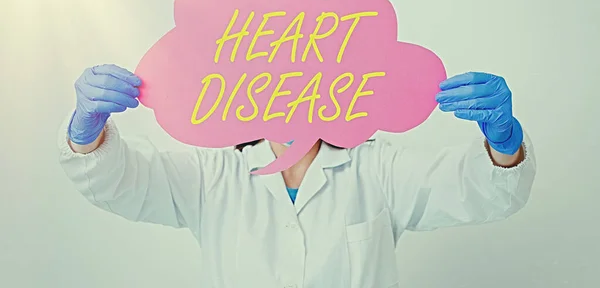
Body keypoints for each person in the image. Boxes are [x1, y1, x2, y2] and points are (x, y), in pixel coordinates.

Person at [58, 64, 536, 288]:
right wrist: (88, 131)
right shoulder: (212, 172)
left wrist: (503, 140)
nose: (289, 97)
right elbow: (124, 184)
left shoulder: (377, 167)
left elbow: (481, 191)